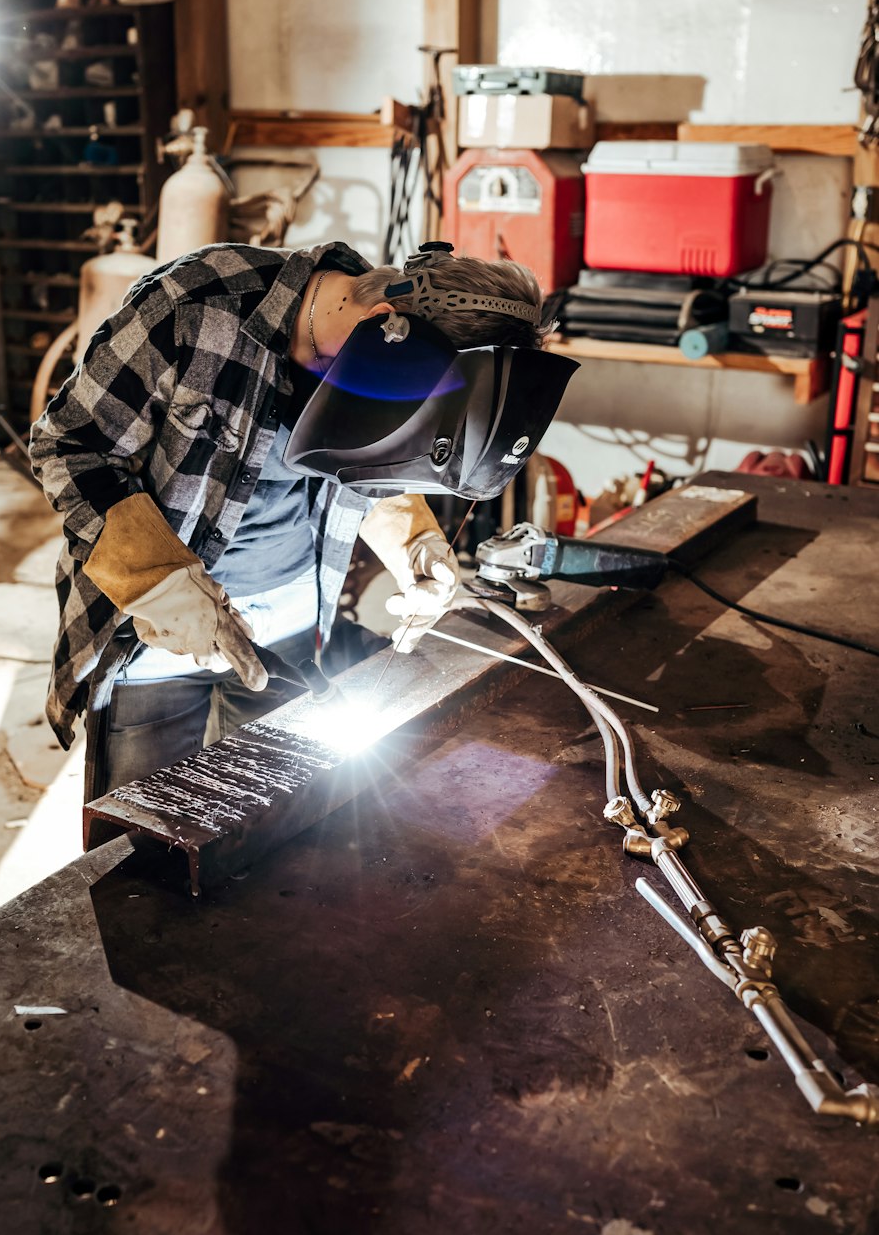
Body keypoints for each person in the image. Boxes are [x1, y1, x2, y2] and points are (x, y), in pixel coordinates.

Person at [29, 239, 570, 813]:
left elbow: (371, 467)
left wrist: (415, 543)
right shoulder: (198, 304)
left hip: (292, 617)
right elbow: (69, 446)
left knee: (266, 829)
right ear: (384, 324)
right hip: (160, 635)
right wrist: (157, 581)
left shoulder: (384, 355)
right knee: (148, 839)